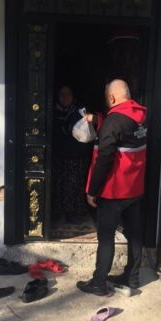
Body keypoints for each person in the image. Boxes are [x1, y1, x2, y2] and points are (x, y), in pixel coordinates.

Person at [77, 79, 147, 296]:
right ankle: (131, 278)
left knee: (106, 236)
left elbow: (104, 158)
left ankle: (99, 282)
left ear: (112, 97)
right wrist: (98, 119)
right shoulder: (141, 116)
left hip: (114, 190)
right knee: (134, 234)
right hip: (134, 188)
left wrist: (92, 190)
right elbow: (122, 130)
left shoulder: (113, 122)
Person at [51, 86, 92, 226]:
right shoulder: (52, 112)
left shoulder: (80, 112)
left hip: (77, 156)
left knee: (75, 186)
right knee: (59, 186)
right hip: (59, 156)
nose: (65, 97)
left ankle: (74, 214)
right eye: (61, 94)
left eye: (68, 93)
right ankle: (60, 214)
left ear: (73, 96)